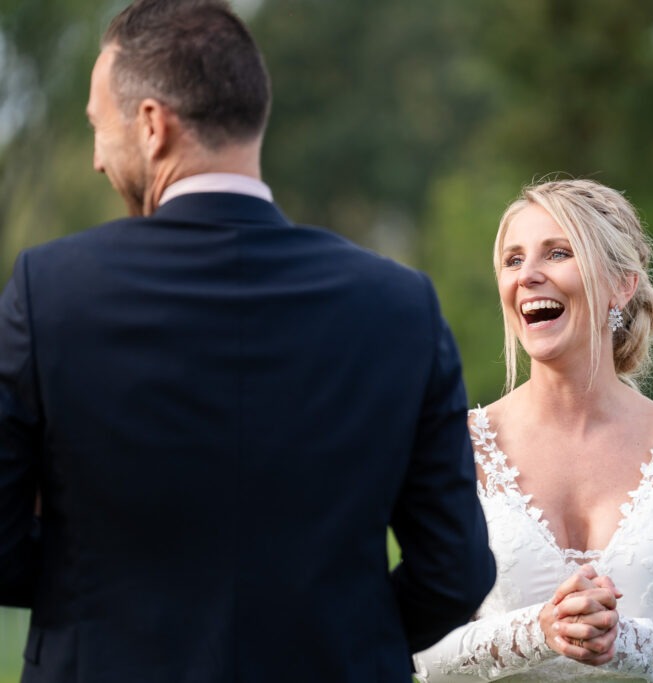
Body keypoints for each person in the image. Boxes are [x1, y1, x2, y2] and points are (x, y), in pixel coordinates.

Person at [0, 1, 495, 681]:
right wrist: (344, 636)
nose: (95, 159)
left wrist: (101, 604)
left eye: (97, 127)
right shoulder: (400, 306)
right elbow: (455, 571)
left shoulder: (49, 291)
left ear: (152, 125)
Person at [413, 179, 653, 681]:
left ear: (622, 284)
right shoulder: (458, 447)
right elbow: (422, 647)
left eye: (558, 253)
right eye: (513, 260)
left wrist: (626, 641)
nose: (528, 275)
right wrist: (538, 632)